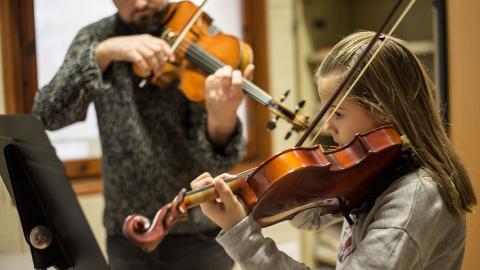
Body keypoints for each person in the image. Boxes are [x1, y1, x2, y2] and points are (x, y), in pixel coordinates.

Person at [191, 31, 477, 270]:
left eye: (338, 114)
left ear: (386, 110)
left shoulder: (414, 196)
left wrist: (242, 234)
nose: (328, 126)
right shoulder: (380, 168)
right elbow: (314, 215)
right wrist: (253, 193)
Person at [33, 0, 254, 269]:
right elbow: (47, 114)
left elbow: (221, 164)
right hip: (127, 234)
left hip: (200, 234)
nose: (140, 3)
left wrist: (222, 117)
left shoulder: (196, 34)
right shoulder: (96, 37)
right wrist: (102, 54)